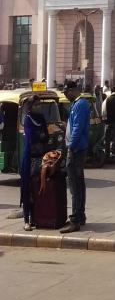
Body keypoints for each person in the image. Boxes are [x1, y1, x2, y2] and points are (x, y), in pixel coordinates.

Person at [61, 81, 90, 234]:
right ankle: (80, 214)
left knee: (74, 186)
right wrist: (65, 127)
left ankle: (75, 220)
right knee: (79, 183)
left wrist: (71, 147)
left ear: (73, 90)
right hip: (78, 148)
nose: (65, 95)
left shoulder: (79, 104)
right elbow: (75, 126)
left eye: (66, 91)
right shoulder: (79, 104)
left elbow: (78, 128)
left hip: (76, 149)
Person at [21, 96, 48, 231]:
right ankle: (27, 219)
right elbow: (32, 137)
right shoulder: (28, 118)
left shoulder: (41, 118)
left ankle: (37, 218)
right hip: (30, 159)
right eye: (36, 105)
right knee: (29, 190)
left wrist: (41, 135)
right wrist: (41, 135)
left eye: (39, 105)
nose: (39, 107)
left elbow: (46, 136)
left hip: (41, 157)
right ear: (31, 107)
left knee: (40, 189)